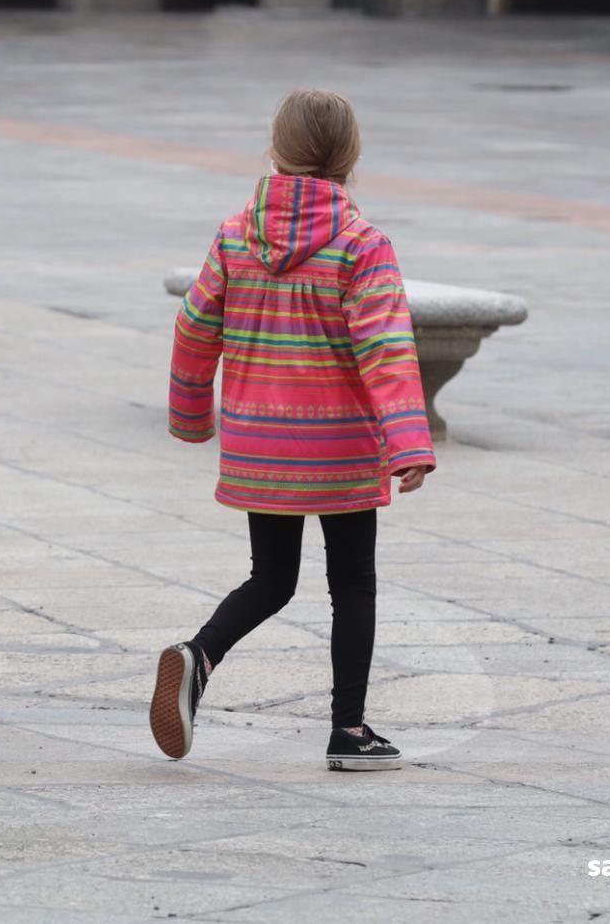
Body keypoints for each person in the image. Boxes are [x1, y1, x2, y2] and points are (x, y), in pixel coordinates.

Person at [152, 90, 436, 771]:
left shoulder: (234, 236)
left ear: (275, 151)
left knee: (271, 578)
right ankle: (349, 731)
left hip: (260, 442)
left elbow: (195, 324)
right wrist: (408, 443)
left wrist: (192, 416)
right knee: (353, 583)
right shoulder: (362, 246)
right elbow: (385, 349)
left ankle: (199, 655)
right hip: (337, 445)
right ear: (351, 158)